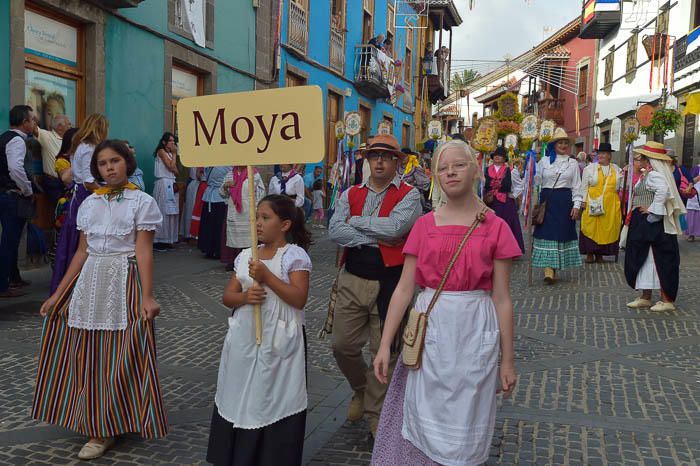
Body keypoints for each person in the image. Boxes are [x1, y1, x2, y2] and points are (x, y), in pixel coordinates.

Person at [371, 139, 519, 465]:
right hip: (431, 332)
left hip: (474, 330)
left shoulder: (496, 227)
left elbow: (502, 298)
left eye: (459, 165)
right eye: (443, 167)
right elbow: (404, 289)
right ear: (435, 175)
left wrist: (507, 360)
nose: (450, 172)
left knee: (466, 423)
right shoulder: (424, 226)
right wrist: (385, 345)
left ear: (474, 169)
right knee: (423, 413)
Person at [33, 140, 167, 460]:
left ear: (127, 163)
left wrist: (147, 296)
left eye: (115, 160)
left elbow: (144, 250)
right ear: (97, 169)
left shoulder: (142, 202)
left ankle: (110, 424)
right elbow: (81, 252)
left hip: (124, 279)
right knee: (88, 353)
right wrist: (58, 293)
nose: (109, 167)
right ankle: (94, 421)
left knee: (122, 353)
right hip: (91, 280)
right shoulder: (90, 204)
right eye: (103, 163)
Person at [328, 134, 422, 439]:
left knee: (386, 352)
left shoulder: (410, 195)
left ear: (397, 161)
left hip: (391, 282)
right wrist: (375, 236)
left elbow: (398, 228)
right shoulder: (349, 193)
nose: (379, 161)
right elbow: (334, 231)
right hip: (352, 278)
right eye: (374, 155)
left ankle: (376, 415)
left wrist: (356, 222)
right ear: (367, 160)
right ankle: (361, 389)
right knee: (342, 345)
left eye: (386, 156)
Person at [207, 194, 312, 466]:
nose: (258, 224)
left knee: (271, 395)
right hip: (245, 337)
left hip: (279, 339)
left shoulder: (294, 256)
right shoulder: (245, 256)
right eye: (257, 218)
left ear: (285, 224)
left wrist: (267, 277)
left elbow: (298, 298)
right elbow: (228, 296)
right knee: (242, 391)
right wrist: (244, 298)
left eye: (266, 218)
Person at [50, 114, 109, 294]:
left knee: (73, 241)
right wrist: (107, 194)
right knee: (84, 242)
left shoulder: (79, 146)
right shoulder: (90, 148)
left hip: (79, 196)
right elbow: (89, 181)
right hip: (86, 197)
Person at [625, 142, 685, 312]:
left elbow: (663, 191)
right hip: (643, 221)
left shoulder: (655, 176)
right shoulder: (648, 174)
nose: (638, 160)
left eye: (641, 157)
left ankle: (666, 299)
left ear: (647, 159)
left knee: (658, 256)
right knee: (644, 256)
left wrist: (652, 211)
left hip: (650, 222)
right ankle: (646, 296)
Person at [532, 128, 583, 284]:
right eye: (560, 142)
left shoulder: (573, 163)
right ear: (553, 145)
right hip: (547, 202)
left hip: (564, 202)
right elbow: (536, 182)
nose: (563, 145)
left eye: (565, 143)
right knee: (547, 233)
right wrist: (531, 167)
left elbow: (577, 186)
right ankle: (548, 269)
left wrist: (577, 205)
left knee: (560, 234)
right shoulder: (544, 162)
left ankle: (553, 267)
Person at [0, 105, 36, 298]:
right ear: (25, 123)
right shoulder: (17, 141)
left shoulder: (3, 137)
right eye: (33, 120)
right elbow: (15, 169)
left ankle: (13, 277)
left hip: (4, 194)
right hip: (12, 195)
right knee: (10, 241)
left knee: (10, 239)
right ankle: (2, 285)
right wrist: (27, 189)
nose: (34, 123)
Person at [578, 142, 623, 263]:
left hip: (610, 204)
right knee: (590, 226)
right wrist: (583, 201)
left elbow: (620, 186)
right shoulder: (589, 169)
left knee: (607, 228)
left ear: (610, 155)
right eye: (600, 153)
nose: (601, 155)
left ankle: (600, 254)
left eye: (604, 153)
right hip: (593, 202)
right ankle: (589, 253)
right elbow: (584, 186)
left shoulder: (616, 169)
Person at [220, 166, 266, 271]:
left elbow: (260, 192)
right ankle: (233, 261)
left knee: (249, 236)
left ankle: (249, 260)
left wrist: (257, 208)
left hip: (248, 211)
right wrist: (225, 186)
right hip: (234, 210)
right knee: (234, 235)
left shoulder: (254, 174)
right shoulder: (230, 174)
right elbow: (222, 194)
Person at [484, 146, 525, 253]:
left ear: (504, 158)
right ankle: (490, 249)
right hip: (490, 202)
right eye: (496, 155)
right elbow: (482, 186)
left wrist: (514, 195)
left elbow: (520, 186)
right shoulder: (486, 170)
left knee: (506, 226)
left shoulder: (511, 171)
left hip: (505, 203)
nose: (498, 157)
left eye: (501, 155)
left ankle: (507, 250)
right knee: (490, 226)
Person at [34, 114, 72, 213]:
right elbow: (33, 128)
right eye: (68, 124)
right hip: (54, 183)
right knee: (62, 211)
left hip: (68, 183)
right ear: (59, 127)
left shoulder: (69, 139)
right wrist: (32, 115)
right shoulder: (47, 136)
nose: (71, 126)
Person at [152, 132, 179, 251]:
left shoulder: (169, 153)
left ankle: (169, 239)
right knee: (163, 210)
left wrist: (173, 159)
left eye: (174, 141)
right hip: (163, 183)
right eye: (170, 141)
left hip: (170, 182)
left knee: (171, 211)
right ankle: (160, 240)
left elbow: (175, 170)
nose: (173, 143)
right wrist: (174, 154)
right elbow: (170, 166)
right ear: (164, 142)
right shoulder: (161, 152)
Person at [198, 166, 229, 259]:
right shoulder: (226, 166)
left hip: (213, 196)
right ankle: (216, 250)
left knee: (209, 226)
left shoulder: (211, 165)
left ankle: (209, 249)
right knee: (217, 227)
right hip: (218, 197)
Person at [398, 148, 431, 213]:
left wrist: (412, 187)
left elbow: (425, 183)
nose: (403, 158)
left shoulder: (415, 168)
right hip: (397, 197)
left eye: (405, 156)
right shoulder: (396, 167)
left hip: (411, 198)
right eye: (401, 156)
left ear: (409, 157)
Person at [181, 167, 204, 242]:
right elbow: (199, 174)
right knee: (193, 209)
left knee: (190, 209)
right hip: (196, 185)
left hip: (194, 184)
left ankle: (188, 233)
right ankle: (192, 234)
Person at [685, 160, 700, 241]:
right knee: (693, 216)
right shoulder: (696, 168)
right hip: (696, 194)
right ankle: (691, 234)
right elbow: (691, 181)